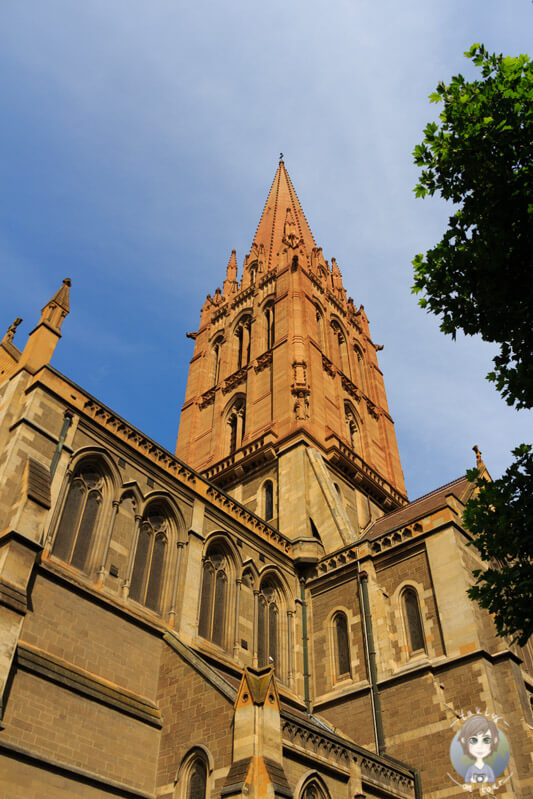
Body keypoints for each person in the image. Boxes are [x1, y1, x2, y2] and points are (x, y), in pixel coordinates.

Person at [458, 715, 499, 784]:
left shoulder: (487, 768)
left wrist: (486, 780)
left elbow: (492, 779)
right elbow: (467, 780)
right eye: (473, 740)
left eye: (486, 740)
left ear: (494, 740)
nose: (480, 746)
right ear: (464, 740)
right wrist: (472, 781)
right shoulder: (471, 769)